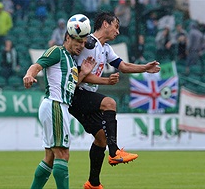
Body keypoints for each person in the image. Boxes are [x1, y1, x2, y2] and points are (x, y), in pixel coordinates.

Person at [68, 12, 161, 188]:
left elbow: (123, 66)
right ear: (105, 24)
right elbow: (79, 76)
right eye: (116, 26)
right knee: (109, 103)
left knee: (101, 138)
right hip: (77, 93)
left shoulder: (105, 48)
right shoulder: (87, 44)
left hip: (85, 96)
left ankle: (93, 183)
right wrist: (105, 81)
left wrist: (145, 68)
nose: (117, 31)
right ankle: (115, 151)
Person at [23, 15, 95, 189]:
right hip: (55, 104)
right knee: (63, 154)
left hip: (59, 106)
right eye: (78, 41)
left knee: (50, 157)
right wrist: (29, 75)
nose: (81, 46)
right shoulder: (57, 51)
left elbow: (70, 86)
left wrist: (84, 72)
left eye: (83, 43)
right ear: (68, 37)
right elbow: (38, 65)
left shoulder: (71, 60)